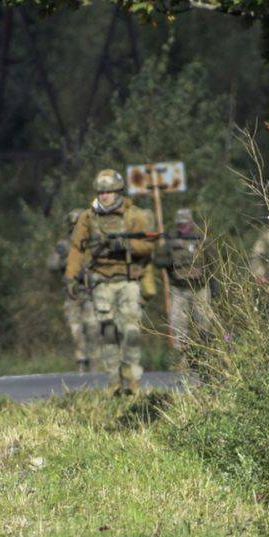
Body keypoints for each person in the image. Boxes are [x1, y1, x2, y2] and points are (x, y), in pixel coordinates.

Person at [64, 169, 154, 395]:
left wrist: (126, 246)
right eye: (101, 192)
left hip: (128, 280)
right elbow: (77, 248)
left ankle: (131, 378)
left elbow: (148, 245)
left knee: (131, 330)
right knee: (108, 331)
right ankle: (114, 380)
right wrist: (71, 277)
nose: (104, 196)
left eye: (109, 192)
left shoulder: (133, 215)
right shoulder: (88, 218)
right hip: (101, 280)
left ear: (118, 192)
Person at [154, 209, 214, 355]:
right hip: (179, 289)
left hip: (200, 288)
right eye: (180, 225)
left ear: (191, 223)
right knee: (179, 324)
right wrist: (169, 259)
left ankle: (206, 355)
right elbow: (158, 261)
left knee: (204, 324)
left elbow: (212, 265)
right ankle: (183, 358)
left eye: (185, 224)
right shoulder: (171, 242)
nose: (183, 228)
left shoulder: (201, 240)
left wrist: (213, 287)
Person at [47, 208, 97, 372]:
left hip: (91, 292)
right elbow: (52, 265)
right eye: (74, 225)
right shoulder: (64, 246)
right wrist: (66, 261)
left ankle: (95, 363)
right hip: (72, 294)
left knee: (92, 326)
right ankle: (81, 362)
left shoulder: (93, 244)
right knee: (76, 329)